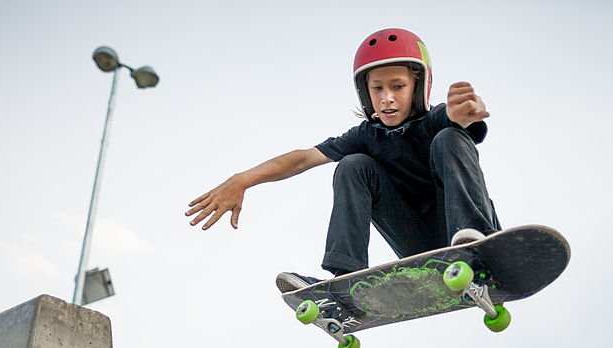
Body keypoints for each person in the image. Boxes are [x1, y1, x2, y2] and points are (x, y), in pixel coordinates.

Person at [186, 27, 501, 290]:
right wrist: (243, 179)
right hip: (421, 245)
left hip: (466, 231)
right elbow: (302, 158)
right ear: (365, 94)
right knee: (353, 165)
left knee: (449, 137)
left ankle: (475, 246)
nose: (387, 97)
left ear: (419, 86)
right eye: (377, 88)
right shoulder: (365, 136)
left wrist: (466, 110)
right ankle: (346, 281)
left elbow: (459, 116)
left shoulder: (434, 119)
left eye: (398, 87)